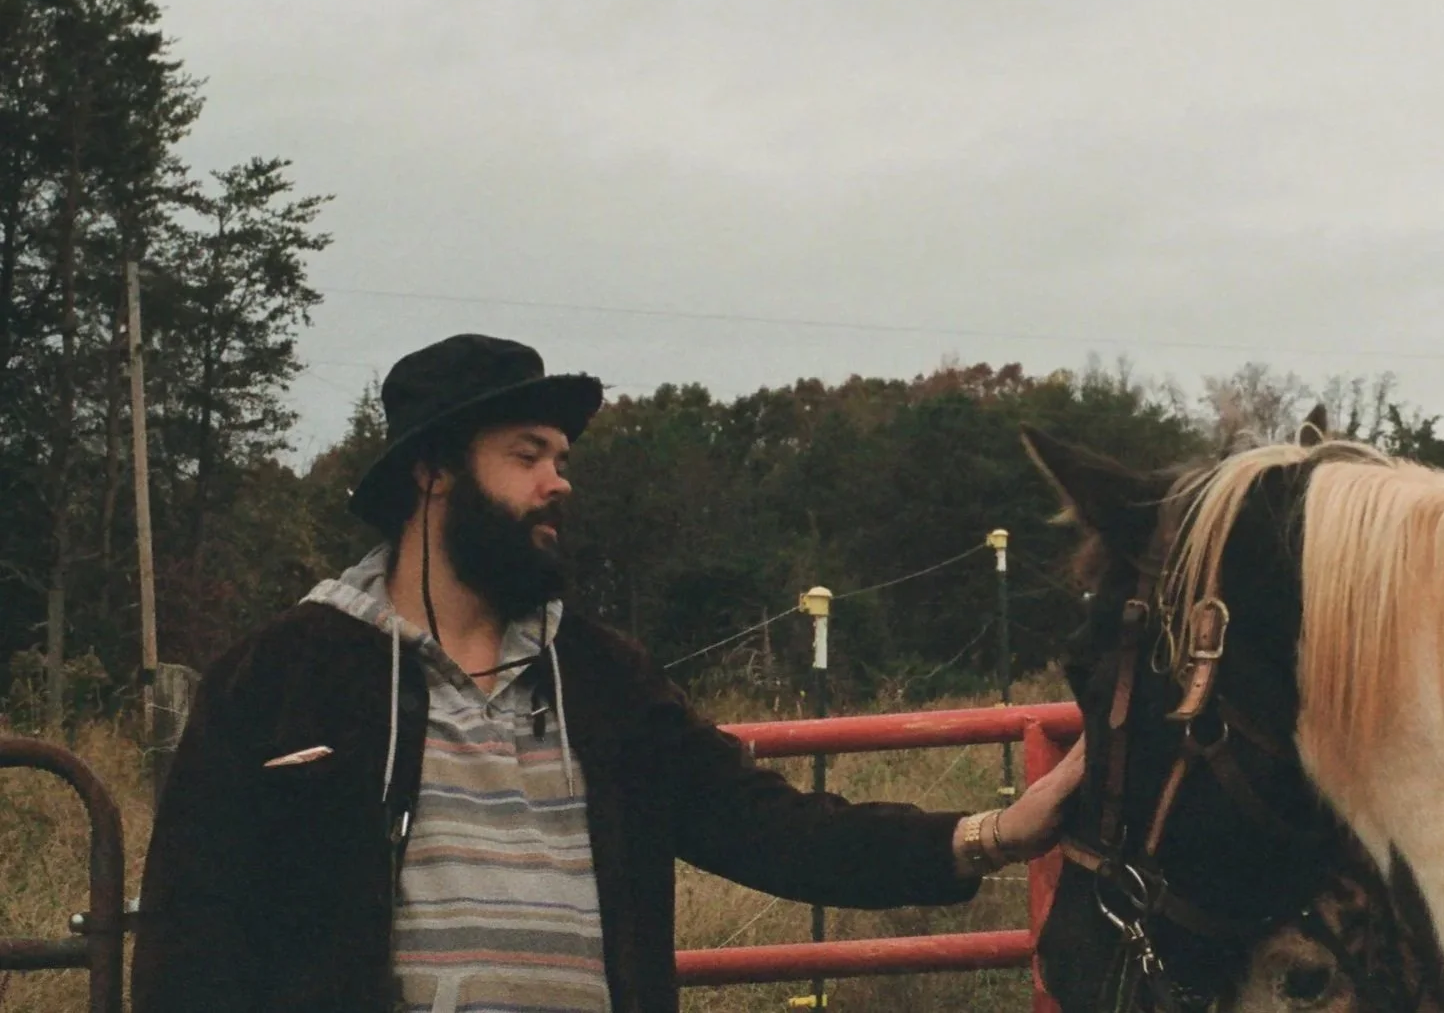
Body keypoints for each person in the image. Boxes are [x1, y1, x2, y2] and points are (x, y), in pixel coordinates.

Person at [132, 333, 1086, 1013]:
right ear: (432, 472)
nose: (561, 480)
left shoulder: (599, 678)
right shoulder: (282, 676)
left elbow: (770, 829)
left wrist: (994, 833)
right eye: (527, 455)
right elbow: (194, 939)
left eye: (561, 456)